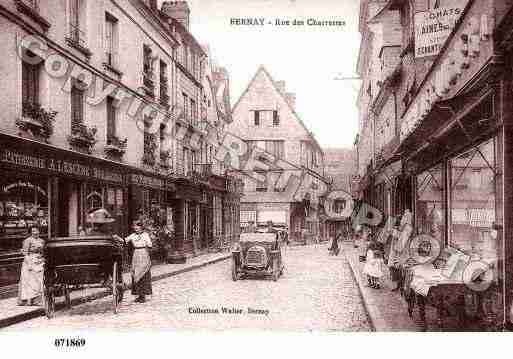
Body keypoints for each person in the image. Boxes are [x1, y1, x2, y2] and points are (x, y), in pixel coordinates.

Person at [122, 221, 153, 303]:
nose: (136, 229)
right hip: (136, 254)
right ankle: (139, 295)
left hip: (143, 253)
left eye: (137, 227)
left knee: (143, 272)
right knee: (135, 273)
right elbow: (125, 241)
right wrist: (117, 238)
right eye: (135, 227)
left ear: (141, 227)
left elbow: (150, 245)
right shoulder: (133, 235)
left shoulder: (145, 235)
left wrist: (145, 242)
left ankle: (143, 295)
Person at [18, 226, 45, 306]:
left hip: (39, 261)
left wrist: (42, 258)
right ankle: (29, 300)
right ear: (31, 232)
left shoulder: (42, 241)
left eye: (37, 231)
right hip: (30, 261)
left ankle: (37, 299)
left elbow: (43, 252)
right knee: (30, 281)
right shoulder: (27, 240)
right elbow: (25, 253)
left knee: (39, 281)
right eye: (33, 231)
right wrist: (29, 264)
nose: (35, 232)